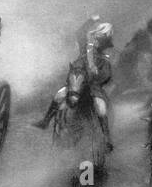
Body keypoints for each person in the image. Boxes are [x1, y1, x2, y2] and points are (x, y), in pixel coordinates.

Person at [34, 20, 114, 150]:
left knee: (101, 107)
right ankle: (46, 121)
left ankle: (106, 139)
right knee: (59, 94)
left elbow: (107, 75)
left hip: (94, 88)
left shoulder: (106, 56)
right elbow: (79, 35)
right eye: (99, 38)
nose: (99, 42)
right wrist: (91, 20)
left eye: (103, 39)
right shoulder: (87, 49)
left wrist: (97, 77)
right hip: (77, 84)